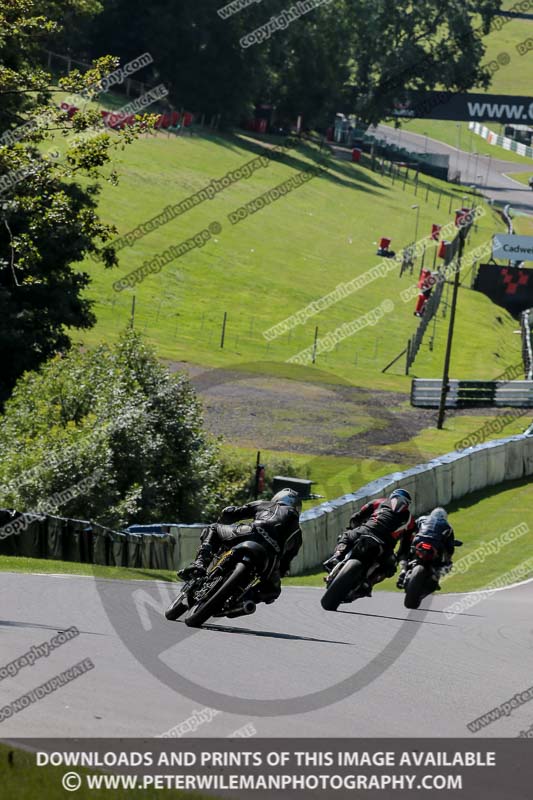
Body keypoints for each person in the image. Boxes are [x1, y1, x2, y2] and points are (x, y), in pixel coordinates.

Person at [178, 488, 302, 605]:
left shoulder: (266, 504)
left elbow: (231, 513)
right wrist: (275, 573)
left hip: (250, 533)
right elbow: (286, 564)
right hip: (271, 556)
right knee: (273, 591)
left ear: (277, 498)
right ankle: (245, 599)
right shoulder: (298, 533)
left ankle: (200, 564)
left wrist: (224, 519)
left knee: (214, 528)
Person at [323, 488, 416, 596]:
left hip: (365, 531)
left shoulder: (379, 502)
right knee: (390, 568)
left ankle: (337, 556)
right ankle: (369, 583)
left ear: (392, 496)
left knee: (346, 536)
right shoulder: (410, 520)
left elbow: (357, 517)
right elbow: (406, 544)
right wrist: (399, 556)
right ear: (407, 504)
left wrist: (351, 528)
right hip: (385, 545)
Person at [396, 506, 455, 590]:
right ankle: (435, 578)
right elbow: (450, 546)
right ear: (445, 517)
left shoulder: (422, 518)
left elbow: (411, 529)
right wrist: (448, 557)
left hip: (418, 540)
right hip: (435, 545)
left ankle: (403, 571)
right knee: (448, 564)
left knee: (406, 552)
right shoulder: (447, 526)